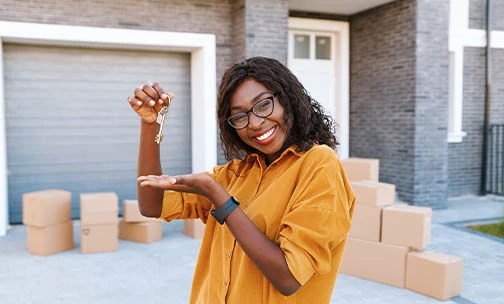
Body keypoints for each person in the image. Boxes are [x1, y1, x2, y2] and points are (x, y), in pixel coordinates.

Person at [127, 56, 355, 303]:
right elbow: (152, 205)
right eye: (240, 116)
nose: (255, 123)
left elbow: (289, 277)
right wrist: (151, 124)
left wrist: (220, 198)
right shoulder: (238, 173)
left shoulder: (319, 164)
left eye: (263, 105)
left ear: (287, 100)